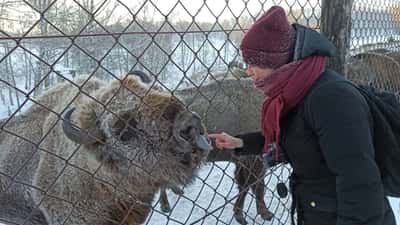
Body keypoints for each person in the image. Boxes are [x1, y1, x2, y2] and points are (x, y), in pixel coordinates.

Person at [208, 5, 396, 225]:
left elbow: (361, 185)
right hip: (319, 212)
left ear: (276, 61)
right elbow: (298, 138)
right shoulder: (297, 89)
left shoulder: (331, 99)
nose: (247, 70)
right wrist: (240, 142)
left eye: (253, 63)